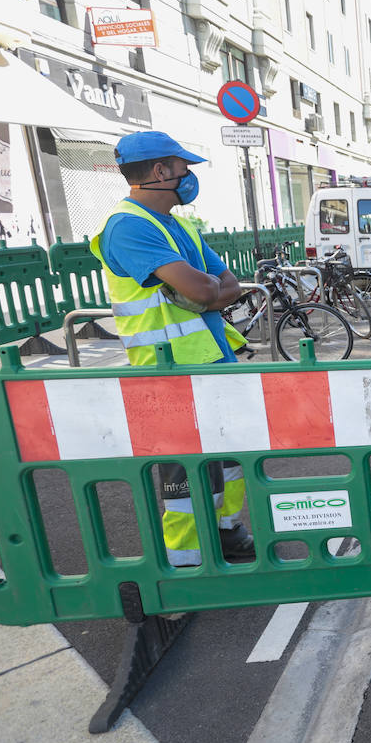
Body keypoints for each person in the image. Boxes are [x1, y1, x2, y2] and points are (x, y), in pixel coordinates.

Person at [93, 131, 252, 566]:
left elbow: (229, 286)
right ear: (160, 171)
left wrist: (203, 292)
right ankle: (185, 564)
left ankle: (226, 532)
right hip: (167, 373)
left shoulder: (179, 225)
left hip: (212, 362)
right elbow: (205, 290)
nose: (188, 174)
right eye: (183, 166)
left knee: (229, 461)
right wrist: (204, 292)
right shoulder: (128, 227)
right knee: (184, 475)